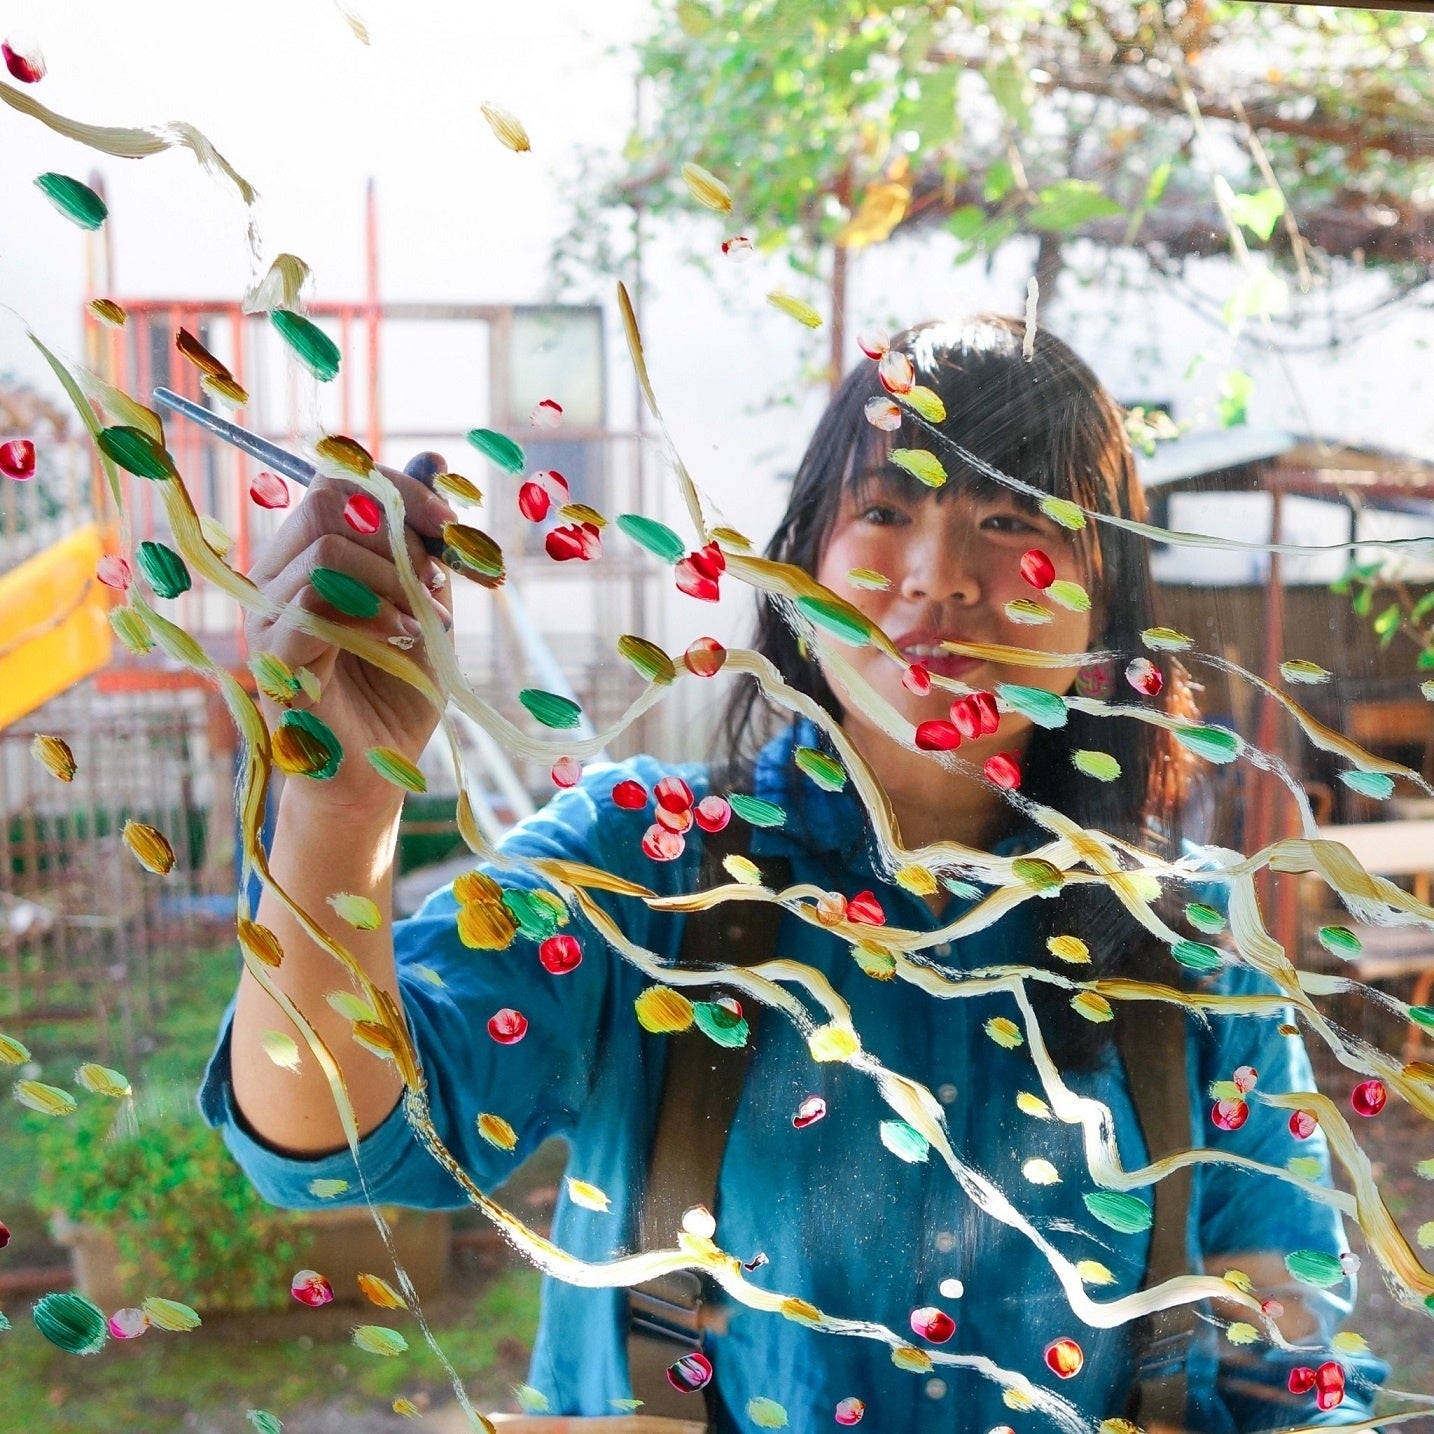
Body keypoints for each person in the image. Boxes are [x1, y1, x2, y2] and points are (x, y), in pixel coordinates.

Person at [203, 316, 1381, 1431]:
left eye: (1012, 519)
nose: (941, 574)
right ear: (806, 560)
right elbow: (331, 1143)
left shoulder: (1188, 943)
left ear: (1104, 600)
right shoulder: (644, 865)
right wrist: (340, 805)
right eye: (887, 509)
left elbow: (1285, 1350)